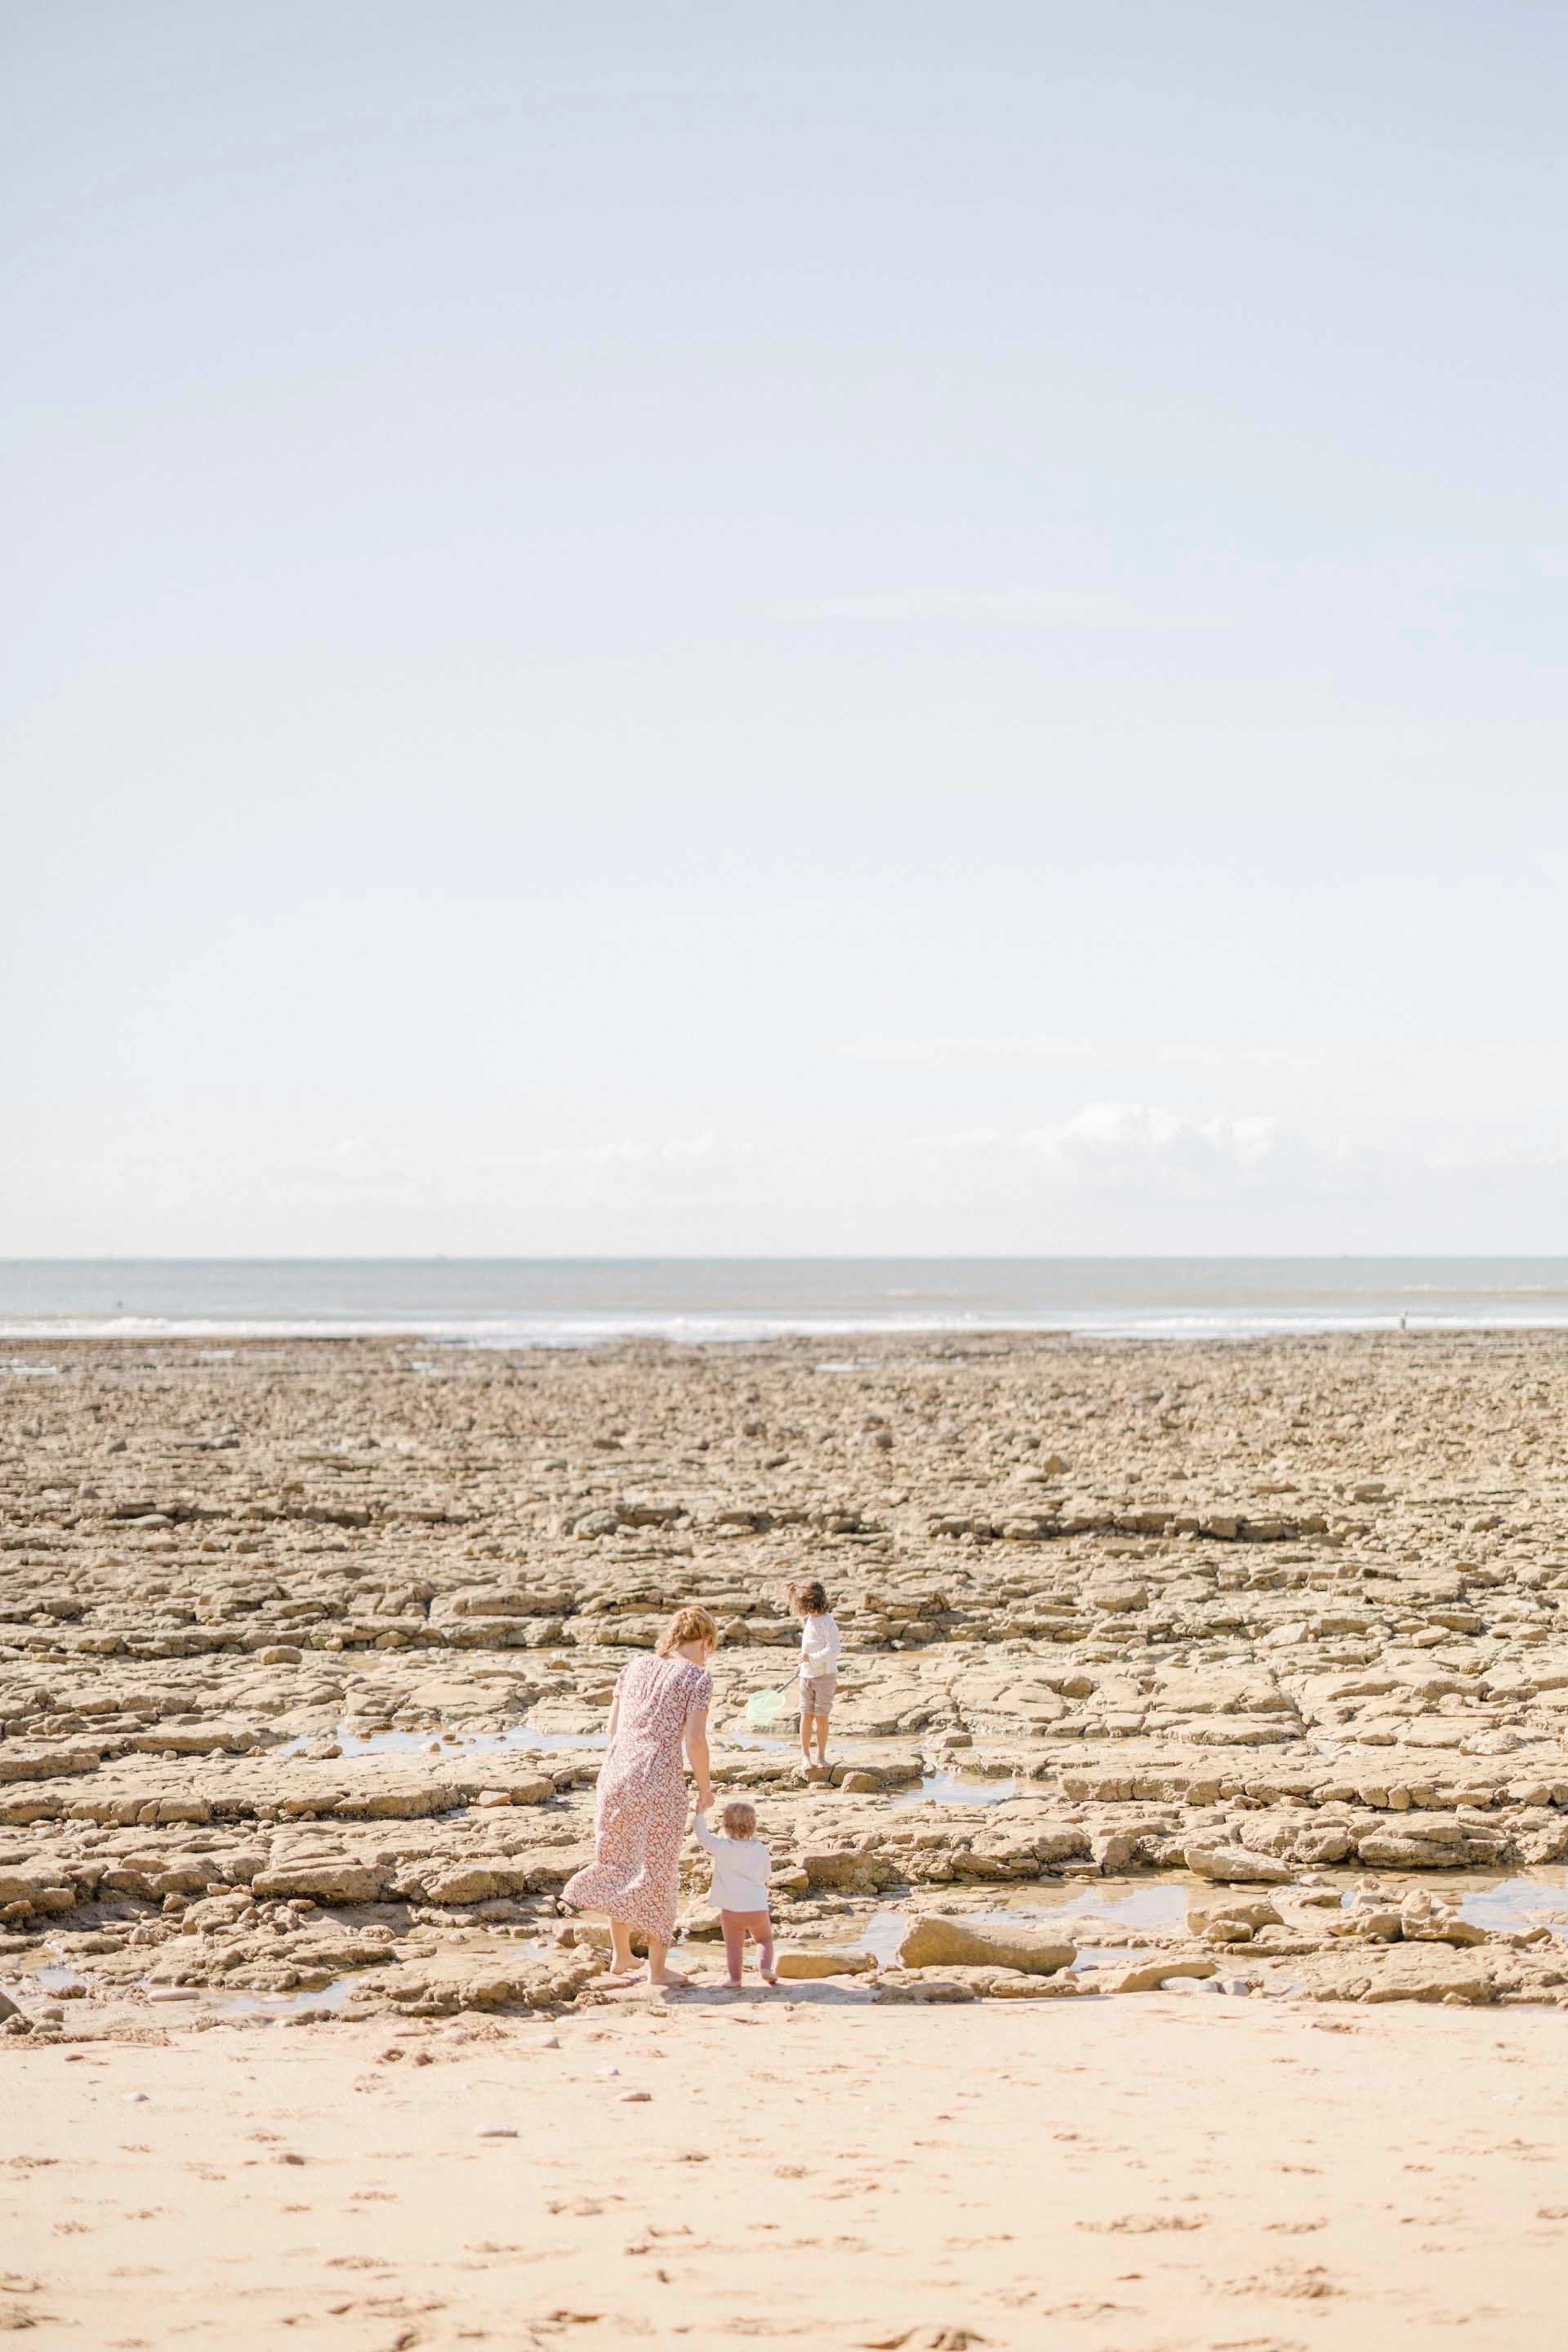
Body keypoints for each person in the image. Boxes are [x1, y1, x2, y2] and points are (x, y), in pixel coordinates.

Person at [563, 1604, 716, 1989]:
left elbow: (614, 1728)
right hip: (657, 1776)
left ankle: (621, 1957)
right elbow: (695, 1741)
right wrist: (705, 1787)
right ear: (707, 1641)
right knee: (658, 1867)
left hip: (616, 1771)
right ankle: (658, 1969)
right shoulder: (697, 1677)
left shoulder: (633, 1666)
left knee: (617, 1859)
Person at [693, 1797, 776, 1989]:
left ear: (726, 1826)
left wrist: (699, 1815)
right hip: (757, 1906)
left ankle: (735, 1979)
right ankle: (765, 1968)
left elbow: (703, 1837)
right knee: (764, 1939)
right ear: (753, 1826)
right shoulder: (761, 1849)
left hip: (732, 1909)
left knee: (734, 1946)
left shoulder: (722, 1847)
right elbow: (766, 1874)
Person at [791, 1578, 840, 1766]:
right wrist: (802, 1665)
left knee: (821, 1717)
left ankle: (820, 1756)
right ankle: (805, 1756)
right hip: (807, 1675)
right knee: (805, 1715)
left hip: (825, 1676)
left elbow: (834, 1649)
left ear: (811, 1602)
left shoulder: (828, 1622)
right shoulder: (810, 1620)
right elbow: (808, 1647)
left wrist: (811, 1659)